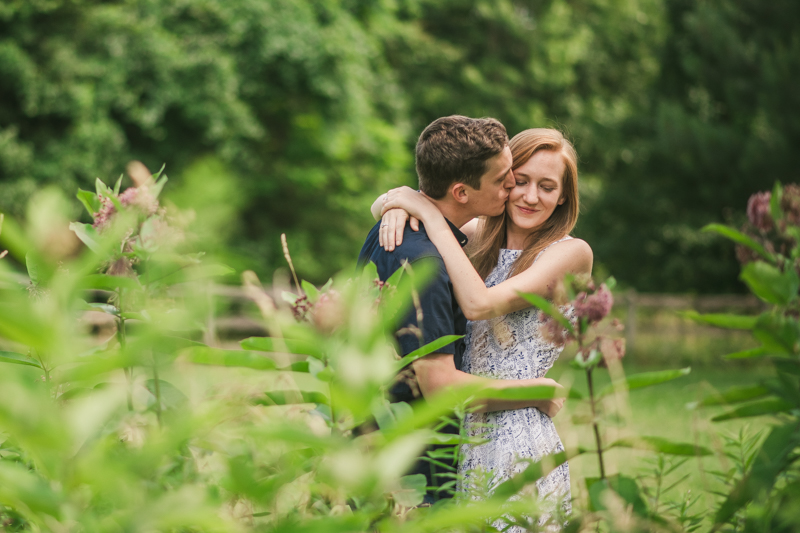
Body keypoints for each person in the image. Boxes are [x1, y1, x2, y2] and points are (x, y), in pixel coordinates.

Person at [375, 128, 592, 526]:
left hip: (517, 434)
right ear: (506, 180)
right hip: (458, 428)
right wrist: (397, 206)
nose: (530, 196)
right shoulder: (480, 236)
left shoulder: (569, 254)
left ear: (564, 195)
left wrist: (425, 213)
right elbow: (386, 204)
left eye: (547, 187)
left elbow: (479, 305)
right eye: (520, 181)